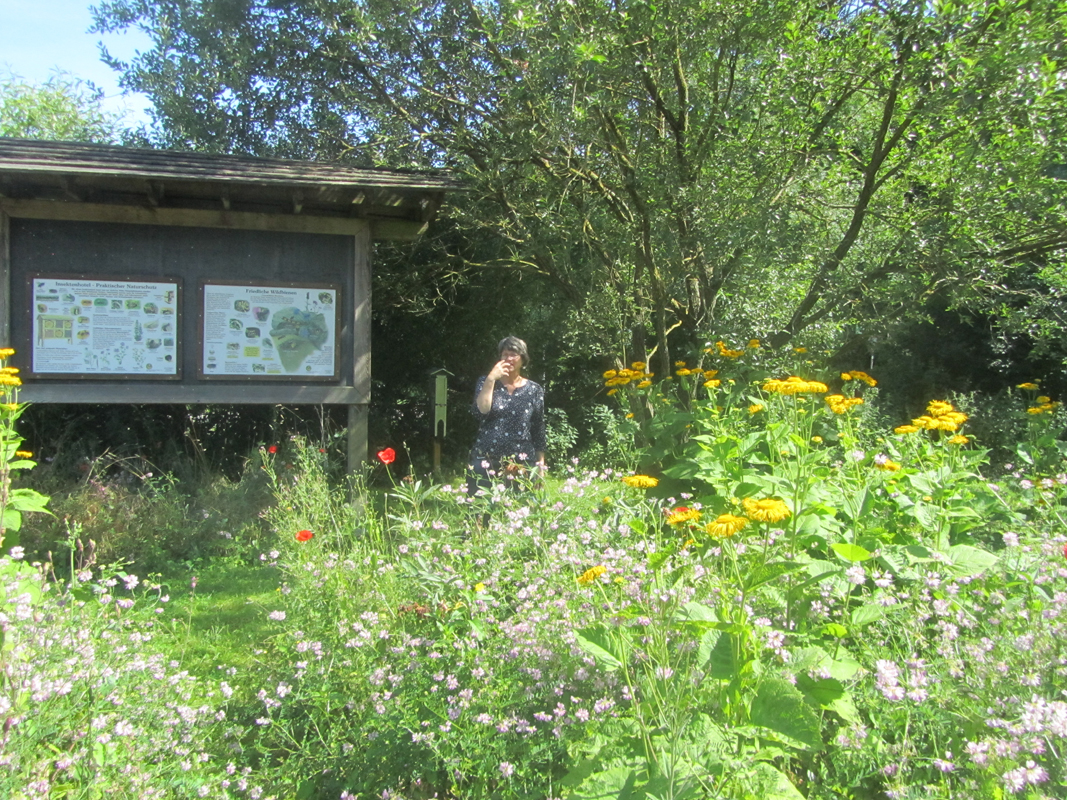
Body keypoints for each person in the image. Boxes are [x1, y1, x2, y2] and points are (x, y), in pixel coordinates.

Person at [468, 336, 546, 498]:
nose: (508, 358)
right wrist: (491, 379)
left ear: (523, 359)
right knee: (479, 513)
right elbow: (480, 412)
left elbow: (538, 427)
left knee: (518, 514)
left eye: (513, 354)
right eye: (505, 354)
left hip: (520, 463)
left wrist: (540, 466)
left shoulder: (534, 390)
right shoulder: (486, 381)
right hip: (486, 459)